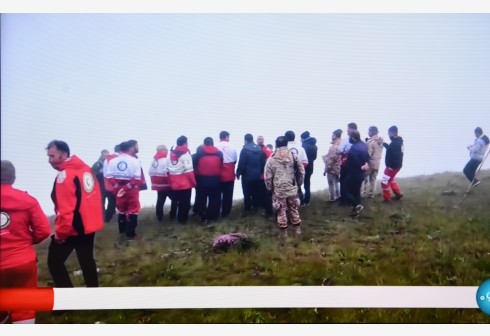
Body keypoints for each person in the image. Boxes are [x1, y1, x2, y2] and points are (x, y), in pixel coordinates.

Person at [46, 140, 104, 288]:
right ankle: (93, 292)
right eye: (48, 156)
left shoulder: (65, 176)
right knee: (86, 259)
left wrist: (61, 233)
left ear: (64, 154)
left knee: (54, 262)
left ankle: (68, 298)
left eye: (52, 156)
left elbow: (66, 209)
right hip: (88, 225)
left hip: (73, 228)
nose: (49, 160)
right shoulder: (84, 169)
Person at [0, 160, 51, 324]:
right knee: (24, 307)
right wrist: (24, 242)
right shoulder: (27, 200)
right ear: (13, 178)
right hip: (22, 261)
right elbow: (43, 230)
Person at [264, 136, 305, 236]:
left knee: (280, 210)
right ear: (287, 144)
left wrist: (270, 188)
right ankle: (297, 230)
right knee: (294, 208)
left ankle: (284, 233)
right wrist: (299, 183)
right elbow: (301, 171)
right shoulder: (293, 155)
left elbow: (267, 176)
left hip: (278, 188)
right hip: (291, 186)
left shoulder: (271, 158)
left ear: (276, 144)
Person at [106, 141, 143, 241]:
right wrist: (126, 187)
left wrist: (118, 186)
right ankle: (131, 234)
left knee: (121, 211)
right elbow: (137, 178)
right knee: (133, 210)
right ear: (130, 148)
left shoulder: (113, 161)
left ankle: (122, 233)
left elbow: (109, 176)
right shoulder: (135, 161)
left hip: (118, 189)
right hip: (131, 189)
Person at [193, 137, 223, 224]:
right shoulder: (219, 153)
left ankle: (203, 217)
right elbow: (221, 165)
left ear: (204, 144)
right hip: (215, 179)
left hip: (201, 180)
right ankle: (213, 217)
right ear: (213, 143)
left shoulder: (199, 153)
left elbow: (194, 166)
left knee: (201, 199)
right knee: (215, 199)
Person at [167, 136, 197, 224]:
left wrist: (170, 183)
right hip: (185, 184)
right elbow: (189, 172)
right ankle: (183, 221)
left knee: (178, 202)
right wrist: (194, 184)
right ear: (185, 143)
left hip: (174, 183)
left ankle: (177, 220)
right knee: (185, 204)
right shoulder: (186, 155)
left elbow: (168, 171)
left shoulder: (171, 154)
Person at [236, 133, 267, 214]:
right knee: (256, 192)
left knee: (247, 193)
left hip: (247, 176)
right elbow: (263, 162)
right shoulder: (259, 149)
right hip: (257, 175)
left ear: (245, 140)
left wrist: (238, 173)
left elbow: (241, 163)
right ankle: (256, 207)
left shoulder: (245, 149)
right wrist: (261, 172)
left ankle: (247, 209)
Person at [343, 131, 370, 215]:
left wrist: (360, 165)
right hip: (361, 173)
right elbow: (368, 156)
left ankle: (356, 205)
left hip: (353, 172)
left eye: (350, 137)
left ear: (353, 138)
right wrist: (365, 163)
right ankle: (356, 211)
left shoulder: (354, 147)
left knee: (345, 190)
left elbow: (354, 159)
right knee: (356, 191)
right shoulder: (364, 145)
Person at [215, 131, 238, 218]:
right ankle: (226, 213)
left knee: (217, 195)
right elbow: (235, 160)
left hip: (218, 174)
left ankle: (216, 211)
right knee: (228, 195)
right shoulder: (232, 146)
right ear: (227, 137)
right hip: (229, 174)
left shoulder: (215, 147)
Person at [337, 122, 358, 206]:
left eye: (348, 128)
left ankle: (344, 201)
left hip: (346, 163)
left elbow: (340, 150)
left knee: (343, 181)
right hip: (356, 164)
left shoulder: (346, 140)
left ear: (352, 129)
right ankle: (352, 200)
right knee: (352, 182)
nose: (347, 130)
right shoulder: (361, 140)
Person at [148, 145, 171, 222]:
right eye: (166, 149)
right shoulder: (165, 160)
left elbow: (150, 172)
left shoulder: (154, 161)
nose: (167, 151)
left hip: (157, 184)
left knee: (160, 200)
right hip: (166, 184)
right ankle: (173, 214)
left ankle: (159, 216)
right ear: (162, 150)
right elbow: (167, 172)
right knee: (175, 199)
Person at [381, 126, 404, 203]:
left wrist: (391, 166)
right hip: (397, 166)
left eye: (389, 133)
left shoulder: (395, 143)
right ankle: (398, 194)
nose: (388, 135)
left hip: (392, 167)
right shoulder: (398, 142)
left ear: (394, 132)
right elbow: (391, 149)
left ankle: (387, 199)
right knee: (391, 179)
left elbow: (396, 156)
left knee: (384, 181)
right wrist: (384, 143)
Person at [285, 131, 308, 201]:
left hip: (286, 173)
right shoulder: (301, 148)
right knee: (298, 188)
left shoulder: (282, 149)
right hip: (298, 172)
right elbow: (305, 162)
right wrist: (299, 169)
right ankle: (301, 202)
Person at [362, 126, 384, 198]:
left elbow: (368, 154)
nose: (368, 132)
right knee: (373, 178)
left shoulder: (371, 142)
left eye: (369, 131)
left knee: (364, 177)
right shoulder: (380, 141)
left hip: (370, 163)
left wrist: (363, 161)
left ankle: (362, 192)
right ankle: (372, 194)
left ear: (372, 132)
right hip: (377, 163)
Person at [322, 129, 343, 202]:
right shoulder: (343, 143)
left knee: (331, 182)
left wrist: (326, 168)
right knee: (337, 182)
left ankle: (333, 198)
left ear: (334, 135)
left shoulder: (334, 146)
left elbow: (331, 158)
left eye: (332, 135)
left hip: (333, 167)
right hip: (340, 166)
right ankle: (339, 196)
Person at [102, 144, 120, 222]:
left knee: (111, 201)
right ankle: (114, 216)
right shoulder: (119, 158)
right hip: (116, 182)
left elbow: (104, 172)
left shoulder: (107, 159)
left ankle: (108, 217)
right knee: (118, 200)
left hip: (107, 182)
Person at [257, 135, 273, 217]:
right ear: (257, 140)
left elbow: (271, 159)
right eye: (259, 139)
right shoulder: (254, 149)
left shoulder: (267, 149)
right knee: (259, 192)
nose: (260, 140)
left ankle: (267, 210)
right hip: (256, 175)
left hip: (265, 175)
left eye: (262, 139)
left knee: (266, 193)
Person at [300, 131, 318, 206]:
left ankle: (301, 200)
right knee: (307, 183)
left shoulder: (304, 145)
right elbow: (315, 157)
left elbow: (302, 157)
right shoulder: (314, 145)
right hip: (311, 166)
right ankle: (307, 200)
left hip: (304, 166)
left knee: (299, 183)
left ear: (303, 138)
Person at [91, 149, 109, 217]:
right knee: (101, 201)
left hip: (109, 185)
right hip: (100, 186)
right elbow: (92, 173)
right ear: (101, 155)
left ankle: (109, 216)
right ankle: (102, 217)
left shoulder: (109, 163)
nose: (106, 156)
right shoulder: (97, 164)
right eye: (105, 155)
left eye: (107, 155)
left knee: (112, 201)